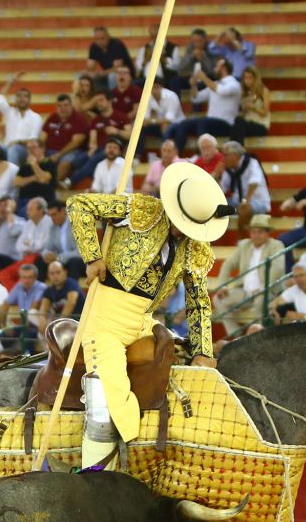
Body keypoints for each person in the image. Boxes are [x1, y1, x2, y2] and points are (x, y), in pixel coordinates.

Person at [66, 162, 232, 468]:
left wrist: (203, 351)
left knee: (179, 363)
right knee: (107, 397)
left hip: (145, 320)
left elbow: (198, 302)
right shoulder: (141, 209)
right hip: (105, 318)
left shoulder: (194, 246)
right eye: (184, 223)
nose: (186, 232)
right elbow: (79, 204)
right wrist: (92, 257)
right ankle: (95, 476)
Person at [213, 214, 285, 326]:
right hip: (245, 290)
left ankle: (260, 338)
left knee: (260, 301)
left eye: (260, 232)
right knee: (218, 299)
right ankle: (235, 337)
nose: (256, 235)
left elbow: (278, 268)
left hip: (266, 291)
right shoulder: (244, 245)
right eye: (253, 232)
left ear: (267, 233)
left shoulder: (276, 245)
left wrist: (262, 288)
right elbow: (228, 264)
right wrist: (223, 285)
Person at [166, 58, 240, 153]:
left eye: (217, 67)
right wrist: (193, 85)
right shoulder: (215, 84)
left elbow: (221, 91)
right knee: (184, 124)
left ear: (223, 69)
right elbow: (196, 98)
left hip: (226, 124)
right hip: (210, 123)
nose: (214, 69)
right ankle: (175, 155)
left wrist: (204, 77)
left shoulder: (234, 84)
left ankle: (201, 154)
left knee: (202, 123)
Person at [65, 93, 131, 189]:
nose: (99, 103)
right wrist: (92, 147)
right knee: (77, 161)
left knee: (93, 160)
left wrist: (117, 131)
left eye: (101, 100)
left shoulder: (121, 117)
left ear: (109, 101)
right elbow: (93, 138)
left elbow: (131, 135)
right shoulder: (96, 120)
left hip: (113, 150)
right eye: (97, 101)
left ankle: (71, 180)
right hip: (98, 149)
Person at [0, 196, 53, 288]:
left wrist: (29, 244)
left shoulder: (50, 223)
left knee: (23, 279)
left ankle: (23, 295)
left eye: (31, 209)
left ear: (41, 211)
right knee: (3, 275)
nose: (27, 211)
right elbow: (19, 246)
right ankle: (18, 296)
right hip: (27, 259)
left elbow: (43, 245)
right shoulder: (28, 223)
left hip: (41, 259)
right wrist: (33, 246)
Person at [0, 72, 43, 167]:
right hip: (7, 147)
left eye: (25, 96)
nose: (22, 99)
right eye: (19, 96)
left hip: (25, 150)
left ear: (29, 100)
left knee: (13, 149)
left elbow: (33, 140)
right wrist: (10, 81)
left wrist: (18, 142)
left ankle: (11, 180)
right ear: (16, 99)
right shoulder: (10, 112)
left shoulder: (35, 117)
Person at [41, 94, 90, 185]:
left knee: (66, 162)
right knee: (35, 157)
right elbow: (42, 138)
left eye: (65, 105)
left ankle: (51, 186)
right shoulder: (52, 117)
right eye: (60, 106)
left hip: (71, 151)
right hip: (49, 150)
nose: (63, 108)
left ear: (71, 106)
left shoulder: (79, 119)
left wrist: (58, 155)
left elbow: (76, 142)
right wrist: (40, 152)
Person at [220, 140, 270, 227]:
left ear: (234, 155)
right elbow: (222, 189)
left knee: (244, 209)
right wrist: (216, 176)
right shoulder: (229, 169)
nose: (223, 158)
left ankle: (240, 239)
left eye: (225, 155)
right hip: (236, 202)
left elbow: (254, 183)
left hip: (257, 201)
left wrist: (246, 201)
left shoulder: (251, 163)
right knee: (213, 207)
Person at [0, 263, 47, 348]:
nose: (26, 280)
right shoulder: (19, 286)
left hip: (36, 324)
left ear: (35, 277)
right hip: (24, 324)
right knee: (4, 334)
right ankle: (7, 358)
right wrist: (4, 325)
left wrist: (25, 323)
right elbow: (5, 304)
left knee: (27, 335)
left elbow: (34, 307)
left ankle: (28, 359)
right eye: (23, 277)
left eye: (29, 277)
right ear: (20, 278)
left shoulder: (41, 287)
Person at [44, 200, 86, 280]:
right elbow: (47, 247)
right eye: (50, 216)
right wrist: (47, 254)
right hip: (61, 262)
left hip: (81, 263)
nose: (52, 218)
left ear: (63, 211)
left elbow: (82, 252)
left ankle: (71, 289)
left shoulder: (77, 224)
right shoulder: (52, 227)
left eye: (54, 214)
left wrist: (59, 258)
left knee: (74, 262)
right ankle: (42, 290)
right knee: (40, 261)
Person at [14, 138, 58, 213]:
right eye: (28, 148)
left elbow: (43, 179)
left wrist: (34, 164)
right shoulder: (25, 165)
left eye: (34, 147)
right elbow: (16, 182)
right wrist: (33, 178)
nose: (31, 150)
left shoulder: (49, 163)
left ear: (42, 148)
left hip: (41, 201)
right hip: (24, 199)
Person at [231, 66, 271, 144]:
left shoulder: (264, 91)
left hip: (260, 125)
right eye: (245, 78)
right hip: (247, 123)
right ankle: (234, 151)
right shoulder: (245, 93)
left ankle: (240, 150)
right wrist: (245, 109)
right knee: (233, 127)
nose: (247, 81)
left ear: (256, 79)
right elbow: (243, 115)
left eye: (250, 78)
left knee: (238, 122)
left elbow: (265, 113)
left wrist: (253, 108)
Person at [86, 26, 133, 91]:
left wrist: (101, 73)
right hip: (107, 73)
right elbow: (90, 66)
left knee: (112, 76)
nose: (100, 41)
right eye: (97, 39)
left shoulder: (117, 45)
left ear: (108, 36)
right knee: (82, 76)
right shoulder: (94, 47)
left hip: (126, 73)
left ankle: (113, 98)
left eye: (102, 38)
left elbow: (117, 68)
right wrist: (90, 73)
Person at [142, 82, 185, 150]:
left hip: (178, 123)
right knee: (139, 128)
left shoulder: (171, 96)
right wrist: (154, 120)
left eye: (156, 87)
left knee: (165, 125)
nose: (154, 90)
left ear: (161, 87)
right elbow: (144, 120)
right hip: (159, 123)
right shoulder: (147, 96)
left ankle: (167, 152)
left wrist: (153, 119)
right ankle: (137, 156)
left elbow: (169, 119)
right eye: (151, 88)